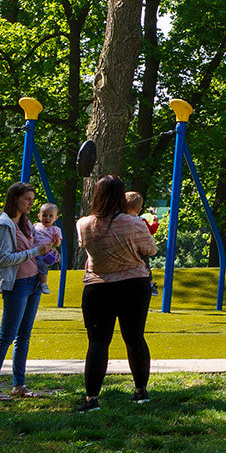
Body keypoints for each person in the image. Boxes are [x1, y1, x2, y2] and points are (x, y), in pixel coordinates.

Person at [76, 175, 158, 411]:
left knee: (98, 342)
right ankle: (140, 390)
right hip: (133, 284)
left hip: (97, 285)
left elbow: (84, 246)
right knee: (134, 337)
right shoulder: (133, 223)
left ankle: (91, 398)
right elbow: (149, 249)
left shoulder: (83, 223)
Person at [0, 182, 50, 400]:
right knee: (6, 337)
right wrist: (35, 251)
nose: (31, 203)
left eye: (32, 199)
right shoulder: (4, 225)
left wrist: (49, 250)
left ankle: (19, 385)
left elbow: (35, 247)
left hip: (33, 282)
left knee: (24, 336)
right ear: (15, 199)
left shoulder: (25, 222)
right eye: (27, 199)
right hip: (17, 284)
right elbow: (3, 259)